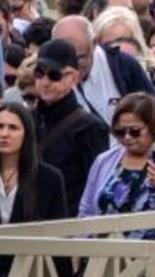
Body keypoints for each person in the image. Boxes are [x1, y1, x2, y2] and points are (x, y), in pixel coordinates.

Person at [78, 93, 155, 238]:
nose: (127, 137)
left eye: (135, 131)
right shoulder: (104, 161)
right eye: (120, 131)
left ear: (152, 127)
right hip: (103, 256)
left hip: (154, 257)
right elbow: (87, 210)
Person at [0, 102, 69, 272]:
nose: (4, 134)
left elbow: (59, 237)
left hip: (31, 269)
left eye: (13, 128)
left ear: (27, 134)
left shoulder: (49, 178)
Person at [31, 38, 109, 210]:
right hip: (25, 220)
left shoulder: (90, 127)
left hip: (67, 223)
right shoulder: (27, 119)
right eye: (39, 73)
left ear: (73, 77)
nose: (45, 82)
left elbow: (95, 188)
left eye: (54, 75)